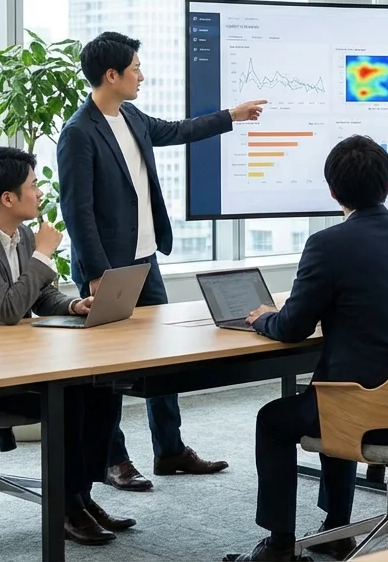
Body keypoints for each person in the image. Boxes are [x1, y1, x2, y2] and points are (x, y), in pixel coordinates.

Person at [228, 136, 388, 562]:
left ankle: (279, 548)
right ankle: (335, 531)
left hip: (366, 413)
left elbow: (293, 328)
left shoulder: (327, 245)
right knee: (334, 389)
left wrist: (262, 319)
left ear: (332, 192)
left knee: (278, 419)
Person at [57, 31, 266, 491]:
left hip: (145, 260)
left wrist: (231, 115)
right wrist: (94, 274)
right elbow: (77, 211)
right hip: (107, 269)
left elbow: (176, 131)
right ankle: (113, 461)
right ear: (111, 75)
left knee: (162, 359)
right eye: (135, 68)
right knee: (108, 373)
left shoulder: (130, 115)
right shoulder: (78, 133)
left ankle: (169, 450)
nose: (141, 75)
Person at [0, 146, 131, 546]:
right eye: (32, 185)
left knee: (102, 386)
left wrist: (75, 304)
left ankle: (81, 496)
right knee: (70, 396)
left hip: (18, 362)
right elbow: (9, 309)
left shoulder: (22, 235)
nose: (40, 191)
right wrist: (44, 253)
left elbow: (40, 297)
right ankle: (66, 506)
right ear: (8, 198)